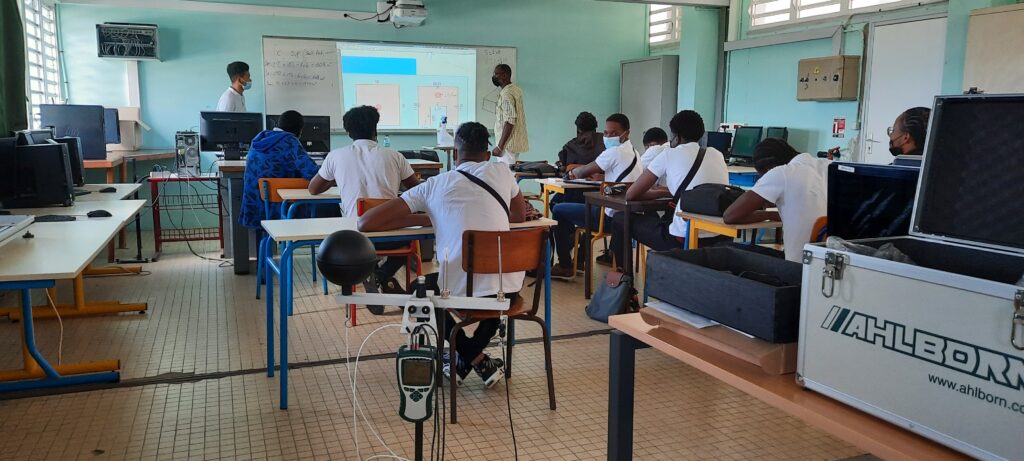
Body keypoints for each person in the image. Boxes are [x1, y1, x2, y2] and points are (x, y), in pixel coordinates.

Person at [359, 121, 528, 388]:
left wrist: (426, 218)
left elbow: (365, 223)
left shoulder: (435, 184)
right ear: (487, 154)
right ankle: (477, 358)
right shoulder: (503, 173)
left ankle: (469, 356)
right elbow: (518, 215)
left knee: (418, 289)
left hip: (462, 289)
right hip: (508, 288)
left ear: (455, 155)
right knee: (494, 291)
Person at [309, 105, 420, 308]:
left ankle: (372, 273)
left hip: (354, 241)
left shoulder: (336, 156)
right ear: (375, 129)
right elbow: (418, 191)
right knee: (412, 239)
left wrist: (339, 178)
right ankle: (383, 274)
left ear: (348, 132)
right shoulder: (395, 156)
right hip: (393, 237)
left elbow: (314, 189)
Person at [614, 110, 730, 264]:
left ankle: (623, 279)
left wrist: (659, 192)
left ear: (677, 137)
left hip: (682, 238)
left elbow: (631, 194)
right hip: (719, 236)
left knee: (620, 219)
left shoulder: (668, 154)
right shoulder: (717, 154)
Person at [549, 113, 641, 279]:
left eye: (613, 133)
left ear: (625, 133)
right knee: (586, 209)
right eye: (606, 133)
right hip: (628, 216)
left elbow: (580, 172)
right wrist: (604, 177)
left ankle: (565, 265)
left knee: (558, 209)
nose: (607, 136)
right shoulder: (635, 152)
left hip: (609, 218)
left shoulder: (613, 152)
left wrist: (571, 172)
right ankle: (579, 258)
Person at [723, 138, 829, 263]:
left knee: (727, 249)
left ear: (768, 169)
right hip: (833, 265)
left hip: (798, 267)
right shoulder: (828, 165)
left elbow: (729, 216)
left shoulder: (783, 172)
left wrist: (770, 215)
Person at [239, 110, 319, 229]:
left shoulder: (259, 139)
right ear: (299, 130)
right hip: (281, 211)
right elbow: (312, 173)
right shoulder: (289, 141)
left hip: (255, 206)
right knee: (325, 204)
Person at [552, 111, 604, 206]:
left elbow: (566, 168)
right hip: (602, 195)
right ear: (596, 127)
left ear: (578, 129)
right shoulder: (605, 141)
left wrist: (576, 167)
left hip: (579, 193)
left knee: (555, 203)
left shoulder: (572, 145)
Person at [490, 64, 529, 165]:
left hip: (507, 145)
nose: (494, 77)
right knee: (510, 175)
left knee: (505, 176)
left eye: (496, 74)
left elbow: (510, 120)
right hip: (513, 143)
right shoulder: (515, 90)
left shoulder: (506, 94)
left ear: (505, 75)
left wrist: (500, 146)